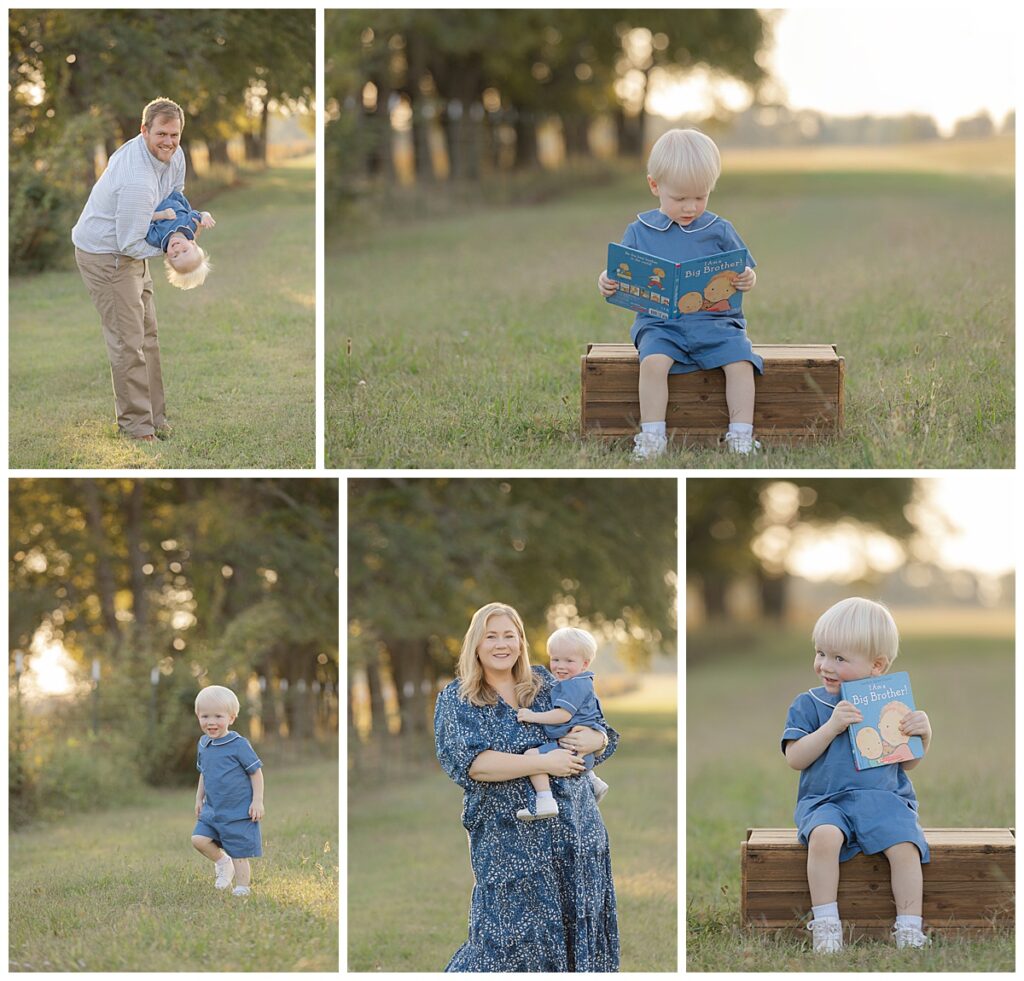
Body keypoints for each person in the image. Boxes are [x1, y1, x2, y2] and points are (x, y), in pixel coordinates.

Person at [434, 602, 620, 971]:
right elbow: (472, 765)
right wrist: (541, 762)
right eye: (491, 636)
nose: (501, 644)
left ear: (521, 641)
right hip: (509, 845)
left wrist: (595, 740)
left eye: (509, 635)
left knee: (577, 941)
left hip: (576, 835)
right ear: (476, 644)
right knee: (502, 944)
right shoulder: (458, 699)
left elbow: (603, 730)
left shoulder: (548, 682)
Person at [597, 128, 762, 459]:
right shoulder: (640, 230)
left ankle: (741, 435)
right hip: (660, 323)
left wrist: (747, 279)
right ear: (655, 186)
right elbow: (621, 271)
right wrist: (606, 280)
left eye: (700, 197)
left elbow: (745, 270)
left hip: (715, 322)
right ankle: (652, 437)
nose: (690, 207)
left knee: (741, 363)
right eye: (680, 198)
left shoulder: (719, 229)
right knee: (654, 363)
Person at [781, 597, 933, 952]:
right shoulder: (809, 704)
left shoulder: (886, 704)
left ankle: (909, 927)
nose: (825, 666)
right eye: (821, 653)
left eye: (839, 658)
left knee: (906, 847)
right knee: (824, 839)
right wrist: (831, 727)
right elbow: (795, 757)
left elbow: (906, 762)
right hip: (826, 801)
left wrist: (924, 734)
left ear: (877, 665)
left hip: (884, 799)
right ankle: (827, 924)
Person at [71, 97, 187, 442]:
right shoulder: (138, 179)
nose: (168, 142)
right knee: (128, 342)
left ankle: (155, 417)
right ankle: (137, 428)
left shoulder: (175, 156)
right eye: (161, 134)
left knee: (148, 335)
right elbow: (128, 244)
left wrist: (180, 232)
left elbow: (175, 199)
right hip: (107, 255)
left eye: (175, 135)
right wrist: (171, 251)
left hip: (133, 245)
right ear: (144, 131)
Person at [514, 626, 610, 821]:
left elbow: (563, 715)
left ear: (585, 663)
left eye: (569, 661)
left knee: (532, 756)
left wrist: (532, 716)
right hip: (583, 753)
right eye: (555, 659)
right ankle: (593, 780)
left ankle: (545, 800)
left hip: (574, 752)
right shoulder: (582, 681)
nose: (560, 666)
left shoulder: (573, 685)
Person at [191, 685, 265, 898]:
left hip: (238, 810)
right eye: (205, 716)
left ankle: (243, 887)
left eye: (218, 716)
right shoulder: (204, 744)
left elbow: (256, 773)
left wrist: (257, 801)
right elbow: (204, 773)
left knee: (238, 851)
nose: (211, 722)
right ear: (198, 716)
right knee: (199, 839)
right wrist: (199, 798)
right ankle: (223, 863)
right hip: (213, 809)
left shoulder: (238, 744)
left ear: (231, 718)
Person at [148, 189, 215, 289]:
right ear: (193, 244)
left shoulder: (157, 238)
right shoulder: (191, 225)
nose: (177, 249)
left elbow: (143, 222)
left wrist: (161, 215)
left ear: (167, 257)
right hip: (170, 190)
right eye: (185, 250)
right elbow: (200, 214)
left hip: (152, 197)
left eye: (175, 256)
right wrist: (206, 216)